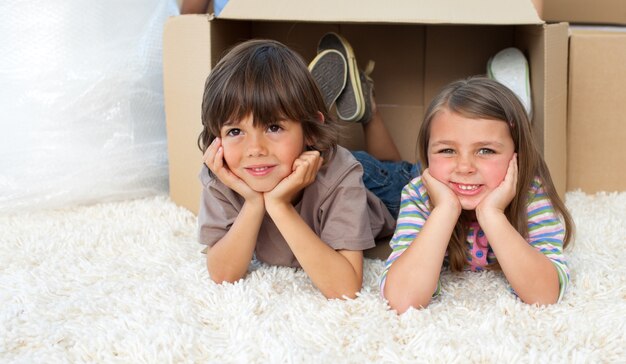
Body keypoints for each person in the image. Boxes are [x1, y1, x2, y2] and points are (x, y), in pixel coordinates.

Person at [196, 39, 397, 299]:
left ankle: (368, 112)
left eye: (273, 127)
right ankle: (300, 113)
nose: (254, 149)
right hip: (294, 158)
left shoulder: (341, 174)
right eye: (235, 131)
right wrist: (254, 203)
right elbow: (223, 274)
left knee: (394, 169)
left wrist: (279, 206)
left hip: (375, 186)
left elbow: (345, 287)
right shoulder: (222, 174)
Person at [379, 76, 574, 313]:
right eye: (447, 150)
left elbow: (544, 294)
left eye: (485, 150)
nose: (464, 167)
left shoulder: (530, 194)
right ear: (427, 153)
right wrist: (445, 210)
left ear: (517, 155)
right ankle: (370, 115)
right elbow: (402, 299)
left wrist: (492, 214)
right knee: (377, 171)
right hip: (387, 188)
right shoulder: (419, 194)